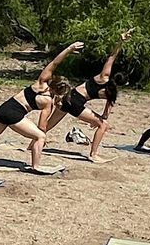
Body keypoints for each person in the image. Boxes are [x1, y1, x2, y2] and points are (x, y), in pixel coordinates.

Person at [0, 43, 77, 172]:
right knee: (40, 136)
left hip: (4, 108)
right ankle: (35, 166)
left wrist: (69, 49)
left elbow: (54, 63)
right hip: (15, 115)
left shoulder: (41, 83)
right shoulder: (48, 102)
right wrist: (40, 139)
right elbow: (42, 126)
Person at [39, 28, 134, 162]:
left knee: (48, 125)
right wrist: (97, 120)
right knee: (103, 125)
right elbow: (105, 116)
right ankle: (93, 154)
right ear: (123, 84)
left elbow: (111, 57)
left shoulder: (104, 77)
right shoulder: (111, 94)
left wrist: (121, 41)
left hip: (67, 97)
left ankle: (33, 145)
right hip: (75, 102)